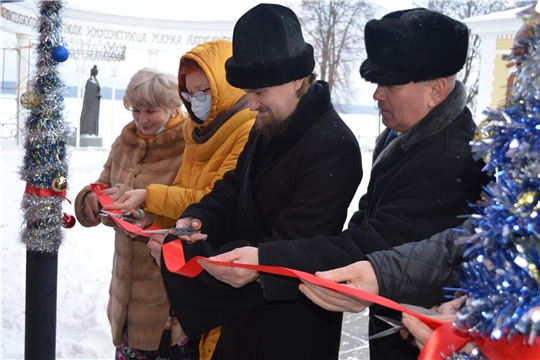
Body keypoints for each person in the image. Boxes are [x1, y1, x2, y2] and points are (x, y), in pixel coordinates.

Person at [167, 7, 490, 360]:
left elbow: (379, 241)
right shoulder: (404, 136)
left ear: (436, 90)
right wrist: (198, 218)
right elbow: (237, 186)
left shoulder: (449, 158)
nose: (376, 95)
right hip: (387, 327)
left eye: (390, 85)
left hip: (422, 339)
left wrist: (260, 261)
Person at [150, 3, 363, 359]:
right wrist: (194, 219)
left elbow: (294, 247)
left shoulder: (334, 145)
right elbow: (234, 189)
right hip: (242, 323)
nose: (251, 105)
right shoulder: (270, 124)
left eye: (259, 93)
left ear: (297, 79)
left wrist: (191, 262)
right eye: (247, 92)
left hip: (290, 330)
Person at [102, 39, 257, 360]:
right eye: (136, 110)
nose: (142, 119)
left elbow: (209, 200)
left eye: (204, 92)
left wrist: (147, 205)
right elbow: (106, 187)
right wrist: (96, 201)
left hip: (169, 283)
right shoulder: (190, 134)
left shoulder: (202, 138)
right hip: (131, 282)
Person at [74, 68, 188, 359]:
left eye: (151, 110)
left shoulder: (188, 145)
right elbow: (103, 182)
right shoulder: (125, 140)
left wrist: (139, 209)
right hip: (124, 288)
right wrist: (90, 198)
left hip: (164, 289)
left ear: (173, 106)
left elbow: (189, 209)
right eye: (136, 110)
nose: (142, 119)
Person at [80, 65, 101, 136]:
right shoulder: (90, 81)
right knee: (88, 117)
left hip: (94, 103)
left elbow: (97, 91)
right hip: (89, 104)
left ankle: (93, 132)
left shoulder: (96, 81)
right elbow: (88, 93)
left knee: (94, 118)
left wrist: (98, 96)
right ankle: (86, 131)